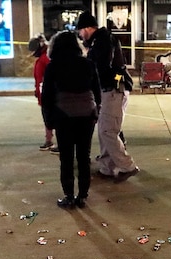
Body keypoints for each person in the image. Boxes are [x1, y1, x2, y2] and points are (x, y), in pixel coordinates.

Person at [75, 12, 139, 183]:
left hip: (114, 88)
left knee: (107, 130)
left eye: (81, 31)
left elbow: (101, 67)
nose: (81, 35)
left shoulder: (103, 40)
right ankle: (107, 168)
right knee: (105, 129)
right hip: (110, 89)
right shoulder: (101, 39)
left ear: (88, 28)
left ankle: (128, 166)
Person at [41, 31, 101, 208]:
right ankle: (82, 196)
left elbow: (47, 97)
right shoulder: (88, 64)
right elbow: (97, 92)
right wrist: (96, 110)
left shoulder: (53, 66)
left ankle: (69, 196)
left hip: (64, 115)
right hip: (86, 115)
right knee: (84, 156)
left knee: (66, 158)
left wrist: (49, 121)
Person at [28, 34, 56, 152]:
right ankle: (48, 140)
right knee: (47, 118)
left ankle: (51, 141)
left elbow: (44, 78)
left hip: (47, 93)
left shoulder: (45, 59)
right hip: (44, 93)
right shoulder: (43, 58)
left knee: (51, 118)